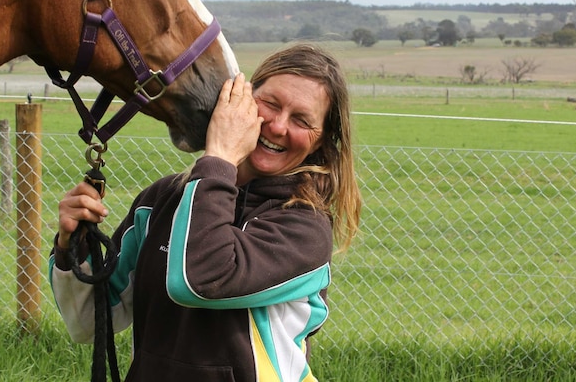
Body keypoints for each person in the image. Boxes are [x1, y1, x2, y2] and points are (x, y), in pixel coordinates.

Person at [50, 42, 362, 382]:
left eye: (301, 120)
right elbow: (89, 324)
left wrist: (221, 157)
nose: (277, 126)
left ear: (320, 142)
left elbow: (201, 279)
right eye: (270, 104)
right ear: (241, 99)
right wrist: (72, 245)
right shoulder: (163, 199)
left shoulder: (303, 228)